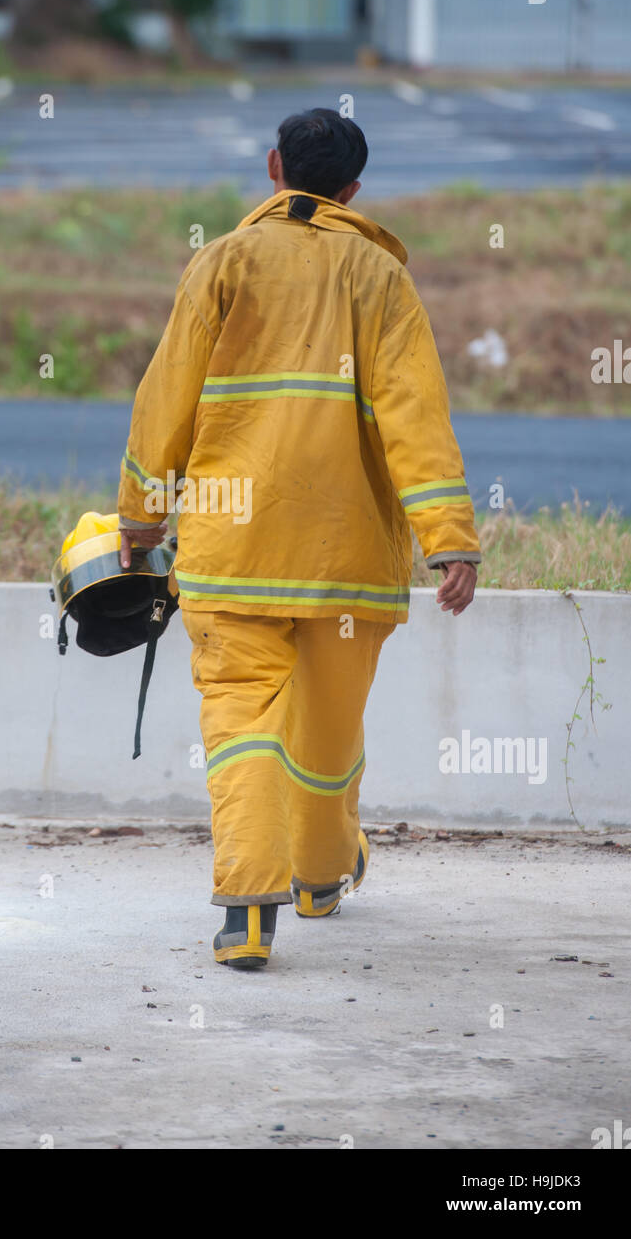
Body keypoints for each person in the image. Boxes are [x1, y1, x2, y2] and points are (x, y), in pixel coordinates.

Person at [117, 108, 480, 970]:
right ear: (353, 190)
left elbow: (164, 398)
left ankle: (246, 913)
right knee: (324, 734)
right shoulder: (381, 278)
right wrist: (449, 537)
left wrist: (140, 516)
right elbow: (414, 417)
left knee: (239, 725)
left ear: (273, 166)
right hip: (343, 563)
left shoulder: (221, 263)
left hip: (231, 555)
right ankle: (320, 878)